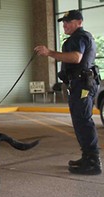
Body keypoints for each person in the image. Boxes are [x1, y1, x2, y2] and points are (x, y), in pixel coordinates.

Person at [34, 10, 101, 175]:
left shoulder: (80, 37)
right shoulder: (80, 37)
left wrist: (49, 52)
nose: (64, 24)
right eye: (63, 22)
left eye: (68, 21)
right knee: (80, 121)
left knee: (83, 121)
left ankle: (92, 161)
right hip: (80, 84)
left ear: (79, 22)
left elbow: (77, 58)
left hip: (82, 85)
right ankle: (87, 157)